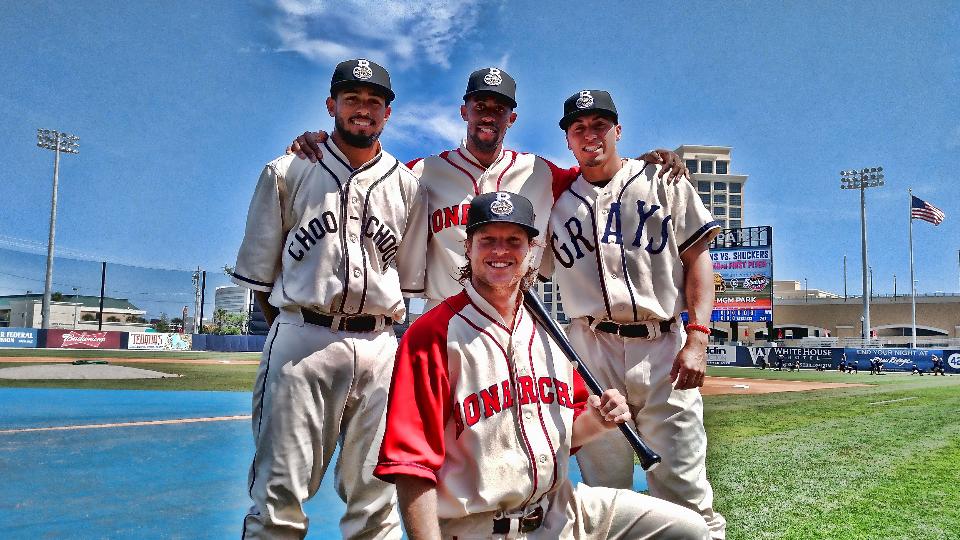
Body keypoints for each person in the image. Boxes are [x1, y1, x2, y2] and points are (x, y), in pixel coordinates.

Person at [375, 191, 709, 539]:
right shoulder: (432, 334)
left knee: (688, 530)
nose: (500, 251)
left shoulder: (550, 332)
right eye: (487, 239)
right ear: (468, 248)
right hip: (477, 527)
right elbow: (411, 466)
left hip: (562, 511)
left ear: (531, 251)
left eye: (513, 241)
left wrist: (597, 421)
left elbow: (569, 433)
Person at [286, 67, 689, 309]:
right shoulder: (421, 172)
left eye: (498, 108)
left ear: (511, 118)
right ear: (464, 110)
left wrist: (644, 162)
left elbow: (599, 172)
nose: (488, 115)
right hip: (444, 317)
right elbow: (368, 169)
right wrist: (324, 142)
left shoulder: (541, 172)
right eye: (480, 106)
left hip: (519, 318)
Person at [230, 59, 427, 539]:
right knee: (279, 497)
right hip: (303, 335)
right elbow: (261, 278)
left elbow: (409, 281)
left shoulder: (407, 185)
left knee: (376, 499)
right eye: (352, 98)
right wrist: (295, 329)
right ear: (331, 105)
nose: (363, 109)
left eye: (374, 101)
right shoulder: (288, 170)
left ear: (387, 113)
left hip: (381, 345)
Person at [542, 90, 725, 537]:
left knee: (684, 487)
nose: (590, 134)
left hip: (664, 345)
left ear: (618, 131)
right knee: (607, 488)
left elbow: (698, 258)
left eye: (600, 124)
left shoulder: (664, 180)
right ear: (567, 139)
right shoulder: (554, 202)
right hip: (590, 351)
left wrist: (698, 338)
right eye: (579, 127)